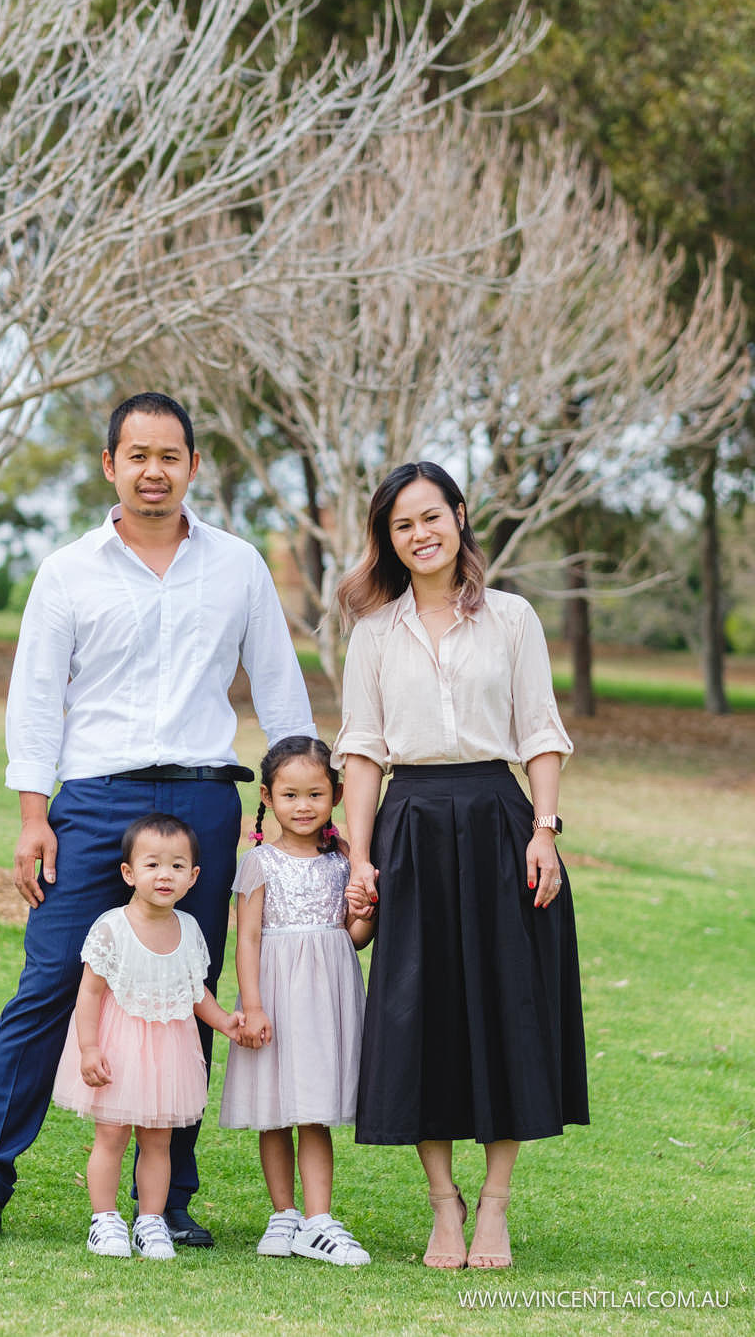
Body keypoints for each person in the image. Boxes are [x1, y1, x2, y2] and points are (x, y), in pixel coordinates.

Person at [0, 392, 315, 1252]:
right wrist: (34, 815)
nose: (153, 470)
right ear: (110, 465)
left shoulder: (239, 566)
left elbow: (283, 692)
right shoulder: (69, 570)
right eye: (136, 455)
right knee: (50, 982)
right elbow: (36, 699)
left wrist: (303, 805)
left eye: (169, 456)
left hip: (206, 801)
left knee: (187, 994)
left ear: (192, 468)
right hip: (95, 802)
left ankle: (167, 1197)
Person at [335, 461, 589, 1271]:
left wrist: (544, 831)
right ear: (389, 540)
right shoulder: (374, 634)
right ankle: (443, 1206)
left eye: (431, 517)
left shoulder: (512, 619)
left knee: (507, 1011)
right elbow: (364, 753)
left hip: (498, 822)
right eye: (402, 525)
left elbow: (541, 730)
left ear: (460, 515)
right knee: (420, 1018)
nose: (420, 534)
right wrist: (361, 860)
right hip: (409, 825)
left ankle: (495, 1209)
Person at [52, 814, 244, 1259]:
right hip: (118, 1049)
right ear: (129, 873)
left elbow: (196, 991)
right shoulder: (111, 927)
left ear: (193, 877)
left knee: (159, 1141)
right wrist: (89, 1047)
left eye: (177, 866)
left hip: (170, 1052)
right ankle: (105, 1221)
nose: (165, 875)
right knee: (112, 1135)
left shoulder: (190, 929)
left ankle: (151, 1221)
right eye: (153, 864)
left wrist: (225, 1022)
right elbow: (89, 994)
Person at [219, 736, 375, 1266]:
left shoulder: (345, 859)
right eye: (290, 795)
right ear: (267, 796)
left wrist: (366, 909)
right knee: (274, 1108)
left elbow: (353, 936)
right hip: (275, 993)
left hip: (327, 993)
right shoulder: (258, 862)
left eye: (315, 794)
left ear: (335, 794)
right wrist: (254, 1006)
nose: (303, 806)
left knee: (313, 1109)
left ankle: (319, 1219)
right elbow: (247, 940)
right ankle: (283, 1212)